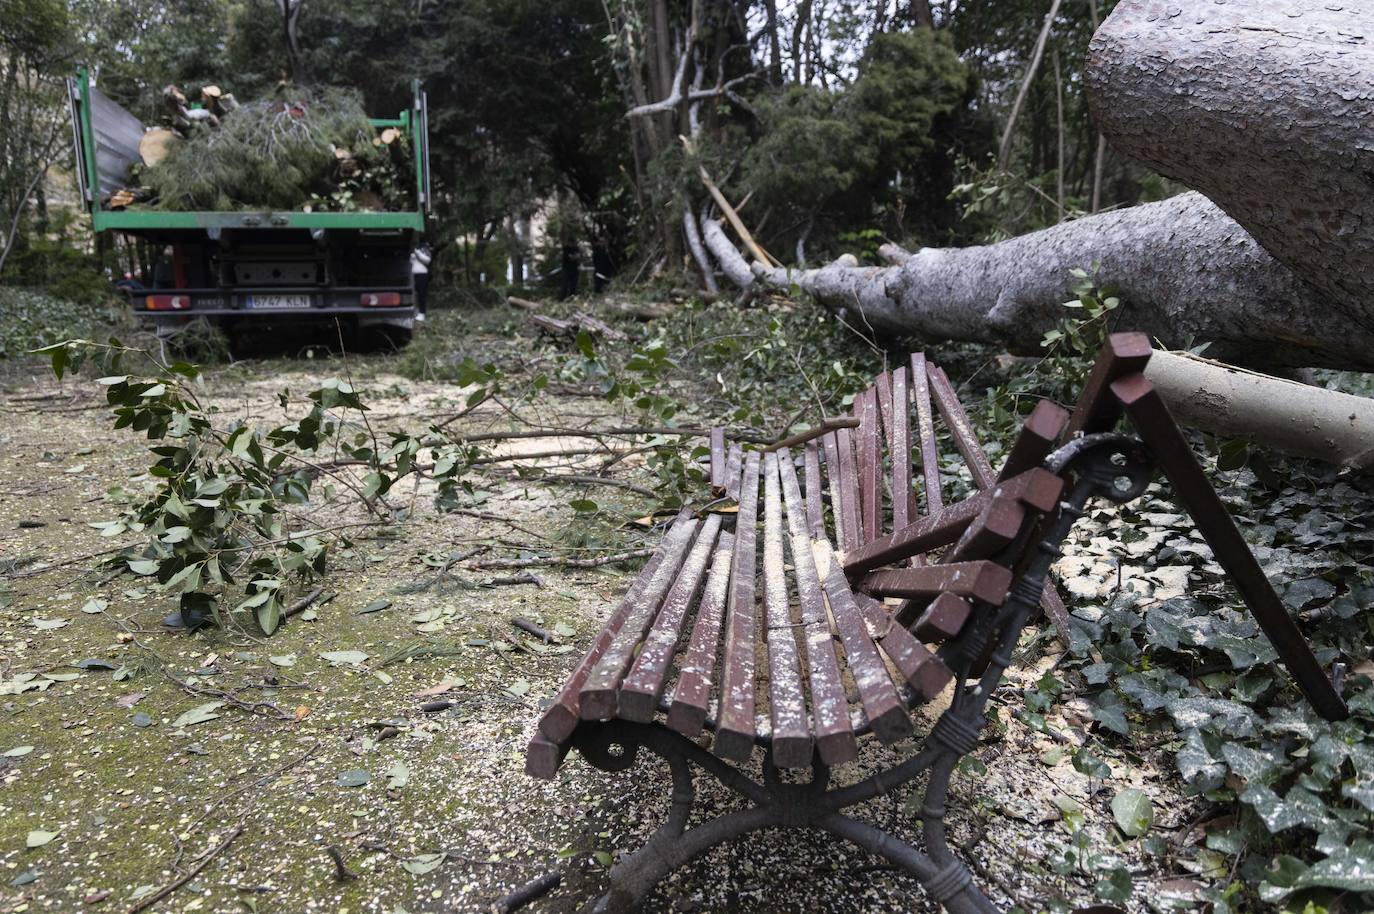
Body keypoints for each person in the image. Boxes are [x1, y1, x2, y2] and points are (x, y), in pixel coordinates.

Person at [411, 244, 432, 322]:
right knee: (415, 293)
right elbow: (411, 262)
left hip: (422, 274)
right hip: (414, 274)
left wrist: (418, 253)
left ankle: (422, 313)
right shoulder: (414, 250)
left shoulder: (425, 250)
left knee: (422, 294)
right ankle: (416, 311)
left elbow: (428, 260)